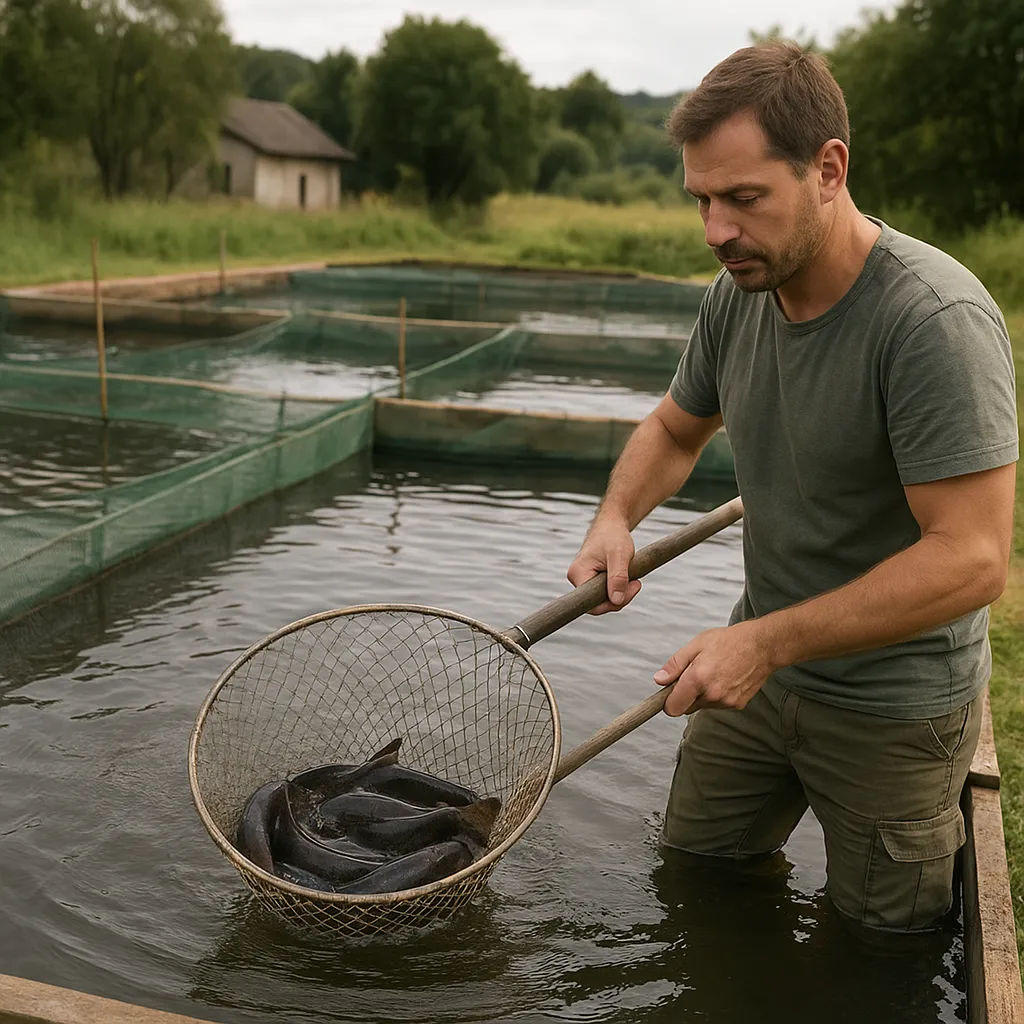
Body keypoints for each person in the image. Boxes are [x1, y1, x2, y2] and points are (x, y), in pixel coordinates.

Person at [566, 40, 1018, 934]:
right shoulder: (737, 292)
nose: (715, 230)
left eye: (742, 198)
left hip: (894, 708)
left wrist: (766, 644)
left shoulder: (933, 323)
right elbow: (672, 427)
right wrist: (616, 517)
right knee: (694, 876)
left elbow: (971, 562)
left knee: (879, 946)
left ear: (828, 169)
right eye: (701, 198)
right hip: (762, 678)